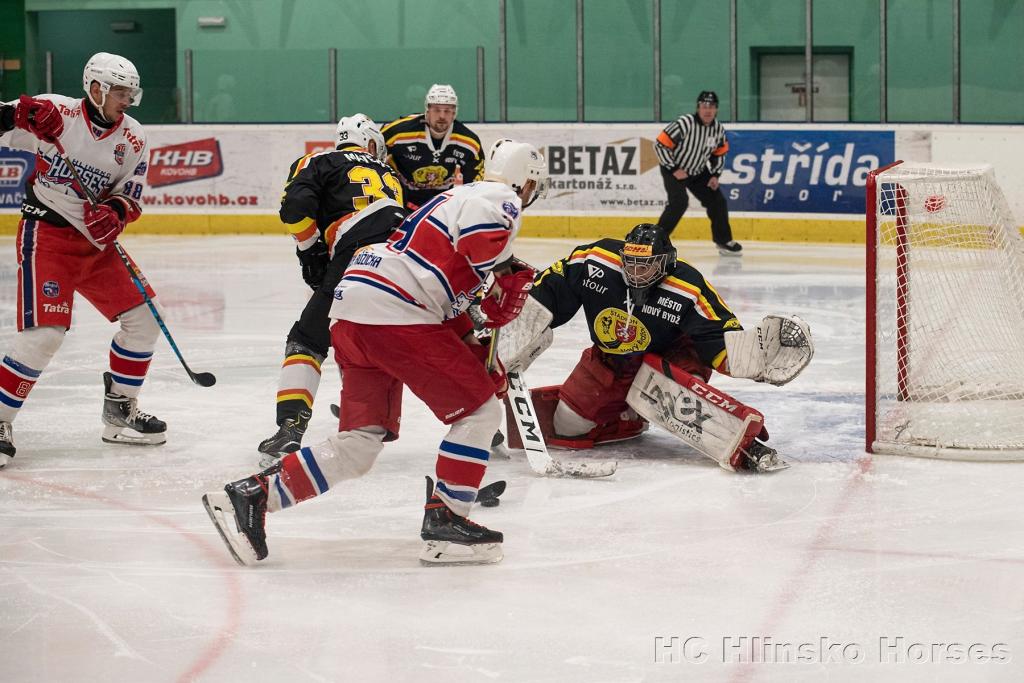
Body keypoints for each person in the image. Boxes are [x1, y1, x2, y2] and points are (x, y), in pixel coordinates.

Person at [203, 139, 550, 566]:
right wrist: (502, 273)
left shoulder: (454, 197)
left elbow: (439, 289)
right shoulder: (499, 196)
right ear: (526, 180)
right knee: (479, 414)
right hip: (395, 310)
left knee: (359, 444)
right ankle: (447, 522)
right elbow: (477, 247)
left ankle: (253, 496)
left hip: (356, 308)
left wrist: (473, 349)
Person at [497, 224, 814, 472]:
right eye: (631, 263)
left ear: (666, 262)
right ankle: (627, 417)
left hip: (670, 358)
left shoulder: (687, 286)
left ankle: (671, 410)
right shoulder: (595, 260)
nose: (637, 272)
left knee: (677, 396)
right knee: (569, 426)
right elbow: (552, 287)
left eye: (646, 265)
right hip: (610, 359)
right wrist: (524, 322)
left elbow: (717, 336)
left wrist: (754, 360)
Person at [0, 52, 164, 467]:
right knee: (45, 334)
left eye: (131, 92)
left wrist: (116, 214)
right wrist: (18, 115)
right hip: (47, 233)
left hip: (94, 244)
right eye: (121, 92)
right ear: (96, 88)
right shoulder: (55, 112)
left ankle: (119, 411)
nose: (128, 100)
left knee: (146, 318)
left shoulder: (135, 138)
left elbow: (131, 193)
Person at [256, 114, 408, 464]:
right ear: (371, 144)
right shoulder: (391, 177)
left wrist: (310, 251)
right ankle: (474, 416)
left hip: (357, 254)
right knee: (383, 340)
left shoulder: (318, 160)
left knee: (307, 340)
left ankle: (290, 428)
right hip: (403, 255)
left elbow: (294, 208)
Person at [654, 90, 742, 256]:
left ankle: (723, 240)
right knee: (679, 202)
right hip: (674, 169)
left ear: (716, 109)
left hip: (698, 172)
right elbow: (660, 144)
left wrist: (715, 175)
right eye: (704, 106)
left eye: (712, 106)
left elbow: (719, 153)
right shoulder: (685, 123)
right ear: (698, 107)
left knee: (717, 201)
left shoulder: (717, 129)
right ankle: (656, 242)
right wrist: (673, 168)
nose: (708, 110)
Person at [380, 83, 484, 210]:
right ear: (427, 110)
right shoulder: (399, 132)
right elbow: (374, 151)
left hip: (440, 207)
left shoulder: (469, 142)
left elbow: (474, 187)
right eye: (437, 110)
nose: (442, 116)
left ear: (454, 113)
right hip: (400, 202)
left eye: (447, 111)